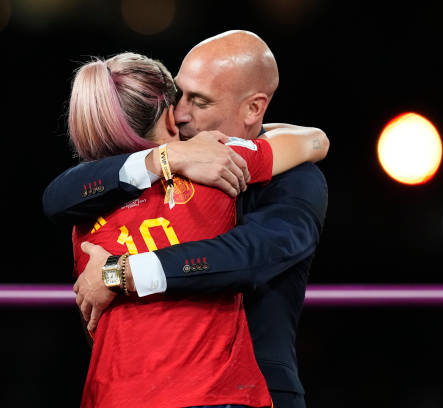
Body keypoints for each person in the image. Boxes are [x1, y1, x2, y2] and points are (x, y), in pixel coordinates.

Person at [43, 30, 328, 408]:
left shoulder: (294, 177)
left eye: (200, 100)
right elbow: (56, 197)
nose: (180, 113)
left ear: (253, 109)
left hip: (250, 389)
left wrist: (119, 273)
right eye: (179, 96)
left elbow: (250, 257)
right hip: (136, 389)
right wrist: (165, 159)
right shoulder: (135, 175)